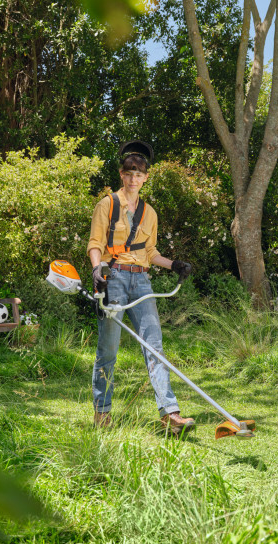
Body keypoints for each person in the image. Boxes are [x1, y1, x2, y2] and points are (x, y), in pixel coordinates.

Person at [87, 140, 195, 435]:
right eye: (129, 173)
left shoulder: (150, 213)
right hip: (115, 278)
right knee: (107, 349)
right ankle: (102, 412)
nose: (133, 179)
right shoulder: (107, 205)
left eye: (139, 174)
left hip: (142, 281)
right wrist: (98, 269)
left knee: (154, 347)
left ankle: (170, 414)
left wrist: (173, 265)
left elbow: (150, 252)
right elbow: (95, 244)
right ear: (121, 174)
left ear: (146, 177)